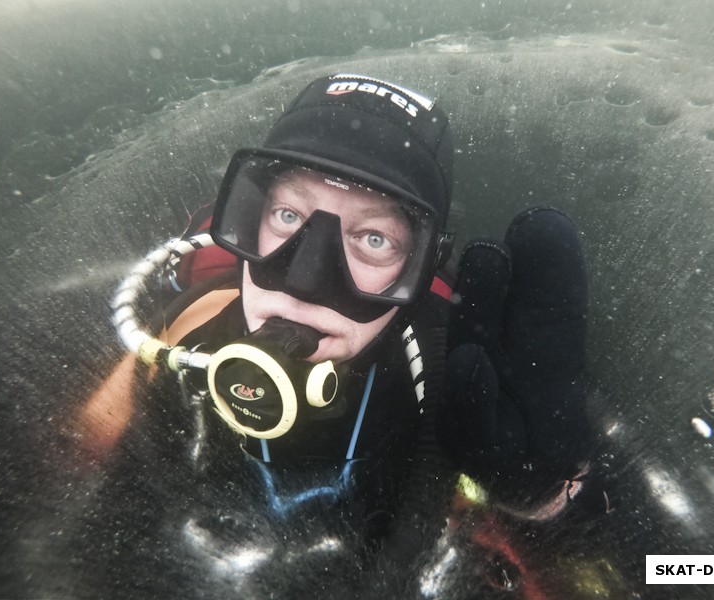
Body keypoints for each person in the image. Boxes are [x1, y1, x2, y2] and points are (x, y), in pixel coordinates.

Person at [92, 73, 591, 560]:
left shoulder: (460, 382)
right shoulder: (187, 328)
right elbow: (80, 457)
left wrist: (541, 499)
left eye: (374, 239)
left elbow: (668, 572)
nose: (304, 281)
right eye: (288, 215)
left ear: (419, 268)